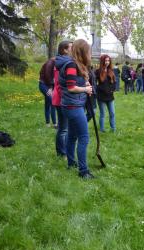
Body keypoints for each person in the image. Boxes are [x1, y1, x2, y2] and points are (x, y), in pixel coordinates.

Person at [55, 39, 94, 179]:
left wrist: (85, 84)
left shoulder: (76, 64)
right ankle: (83, 171)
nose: (89, 53)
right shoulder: (71, 65)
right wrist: (85, 89)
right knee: (84, 137)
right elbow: (71, 87)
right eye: (88, 51)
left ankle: (71, 163)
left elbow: (73, 83)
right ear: (82, 51)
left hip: (71, 105)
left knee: (72, 136)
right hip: (73, 106)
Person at [53, 40, 72, 157]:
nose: (73, 49)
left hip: (63, 98)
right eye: (71, 47)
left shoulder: (64, 62)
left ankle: (63, 151)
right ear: (64, 50)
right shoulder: (60, 64)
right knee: (63, 129)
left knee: (64, 128)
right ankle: (61, 152)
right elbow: (59, 84)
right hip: (61, 99)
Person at [95, 54, 116, 133]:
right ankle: (102, 129)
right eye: (105, 60)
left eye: (108, 60)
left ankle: (113, 128)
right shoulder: (97, 71)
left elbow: (114, 82)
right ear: (102, 61)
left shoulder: (111, 71)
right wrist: (100, 89)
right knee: (102, 114)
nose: (107, 62)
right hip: (101, 97)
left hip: (110, 96)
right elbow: (94, 83)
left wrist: (112, 89)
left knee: (112, 113)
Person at [39, 57, 57, 128]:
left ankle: (48, 124)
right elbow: (47, 75)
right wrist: (50, 87)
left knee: (48, 103)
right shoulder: (50, 63)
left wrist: (52, 87)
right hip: (43, 85)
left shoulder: (54, 63)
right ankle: (55, 124)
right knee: (53, 102)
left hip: (48, 85)